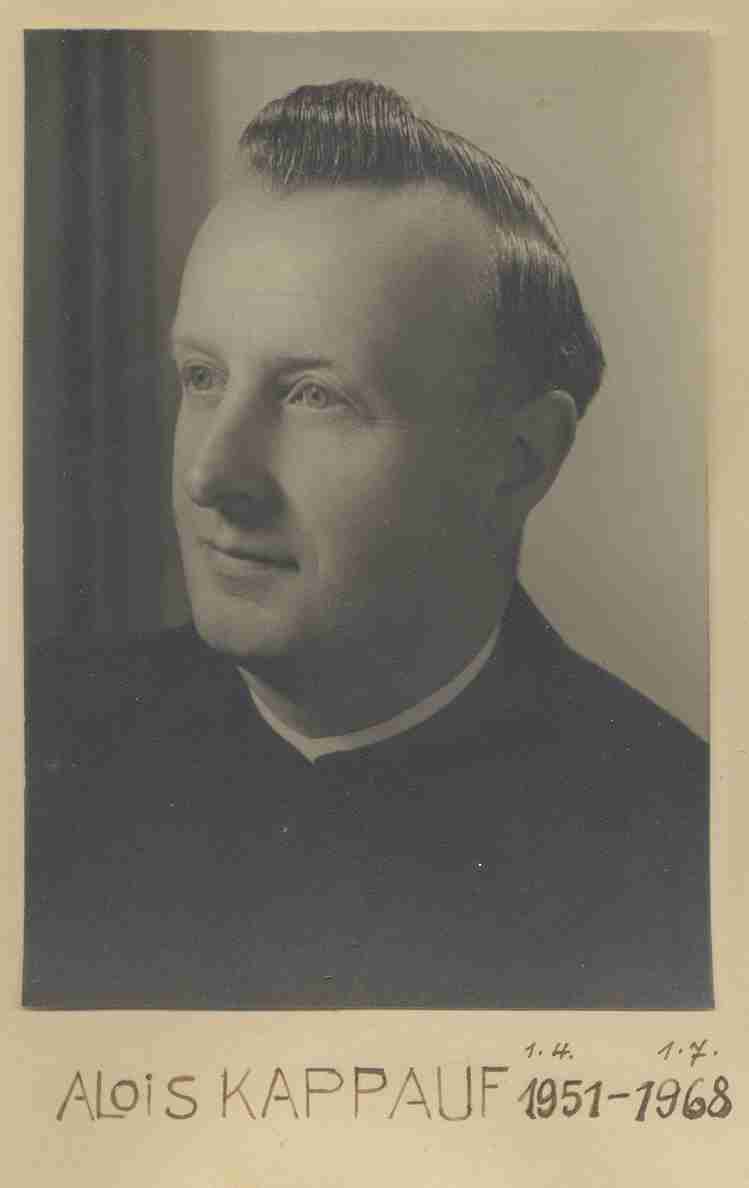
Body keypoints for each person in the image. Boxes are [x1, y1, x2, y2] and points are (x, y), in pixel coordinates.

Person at [24, 80, 711, 1011]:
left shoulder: (689, 854)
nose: (213, 475)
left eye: (314, 396)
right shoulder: (41, 748)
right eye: (202, 377)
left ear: (516, 460)